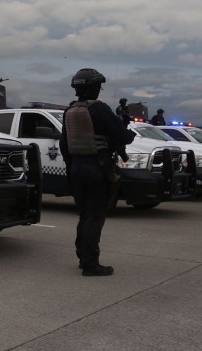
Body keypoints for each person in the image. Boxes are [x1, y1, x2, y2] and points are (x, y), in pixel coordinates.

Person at [59, 68, 135, 276]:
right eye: (98, 86)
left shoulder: (70, 111)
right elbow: (122, 136)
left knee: (84, 215)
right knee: (95, 216)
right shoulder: (100, 109)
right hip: (98, 169)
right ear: (93, 87)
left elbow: (64, 144)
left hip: (77, 169)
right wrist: (128, 132)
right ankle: (91, 264)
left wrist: (71, 169)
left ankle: (84, 258)